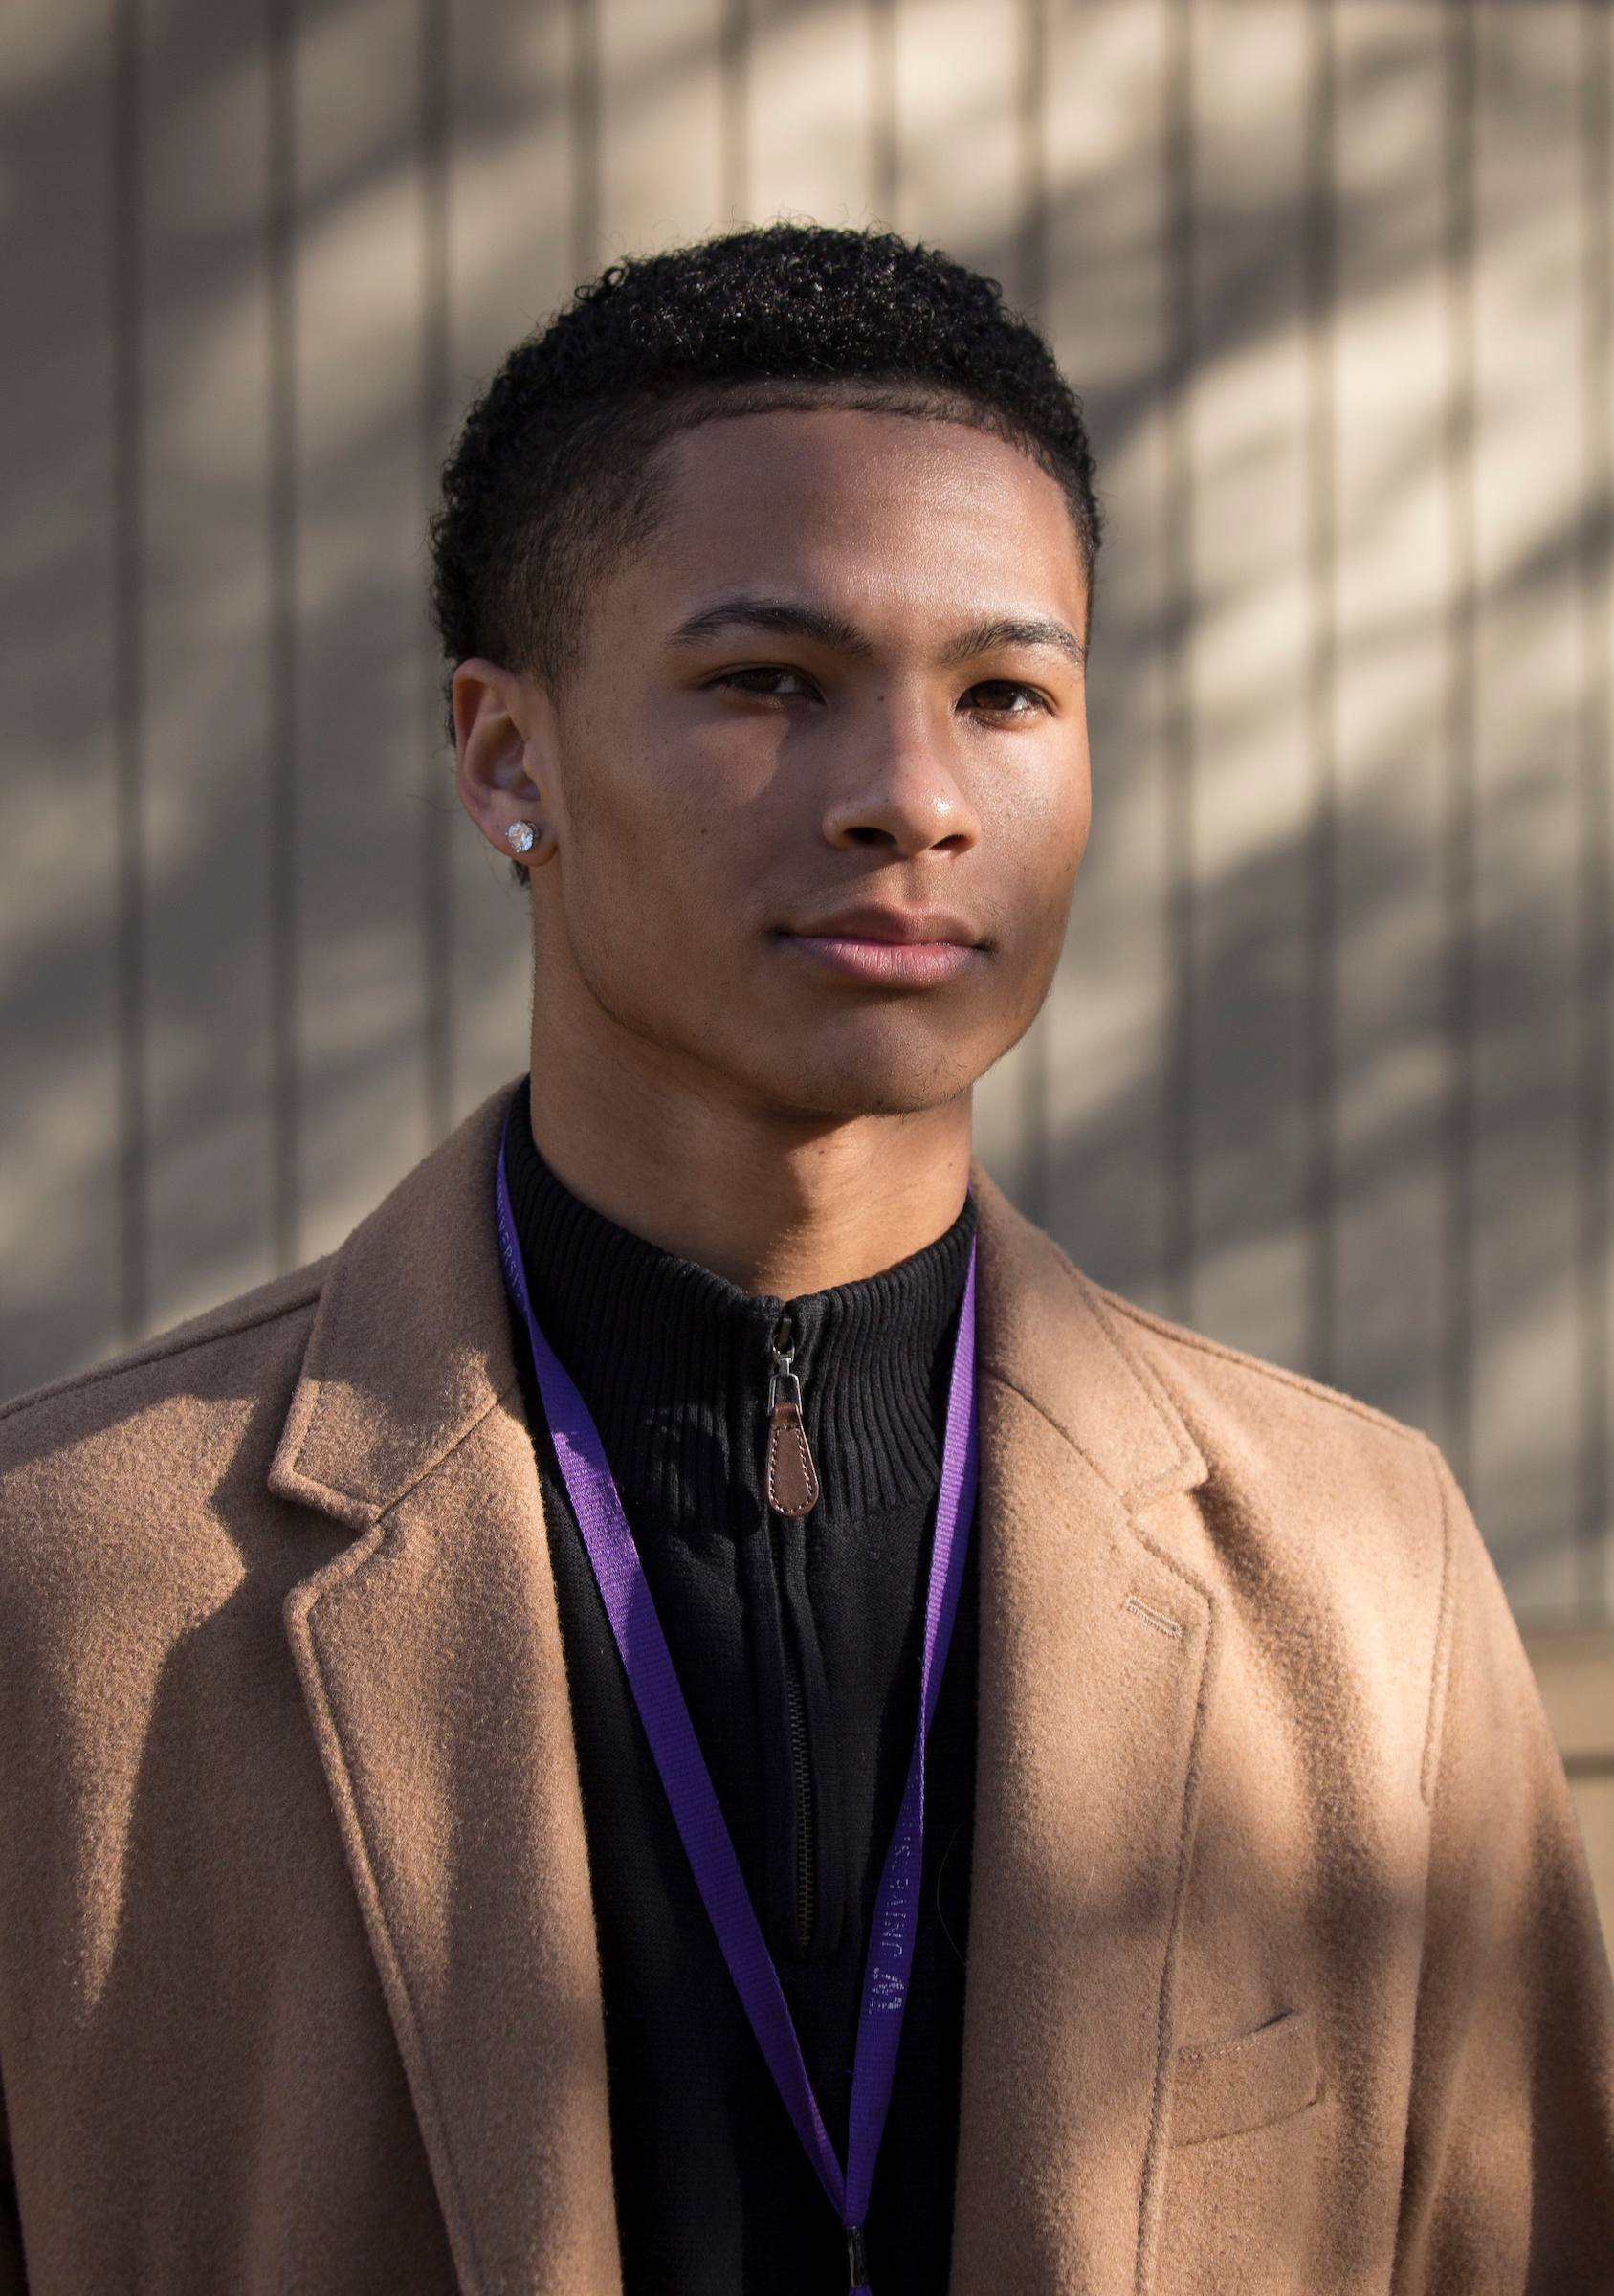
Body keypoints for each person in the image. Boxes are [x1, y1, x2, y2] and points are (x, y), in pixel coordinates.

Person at [0, 225, 1609, 2296]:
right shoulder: (77, 1588)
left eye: (1006, 692)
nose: (914, 799)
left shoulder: (1359, 1573)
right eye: (770, 683)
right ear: (510, 760)